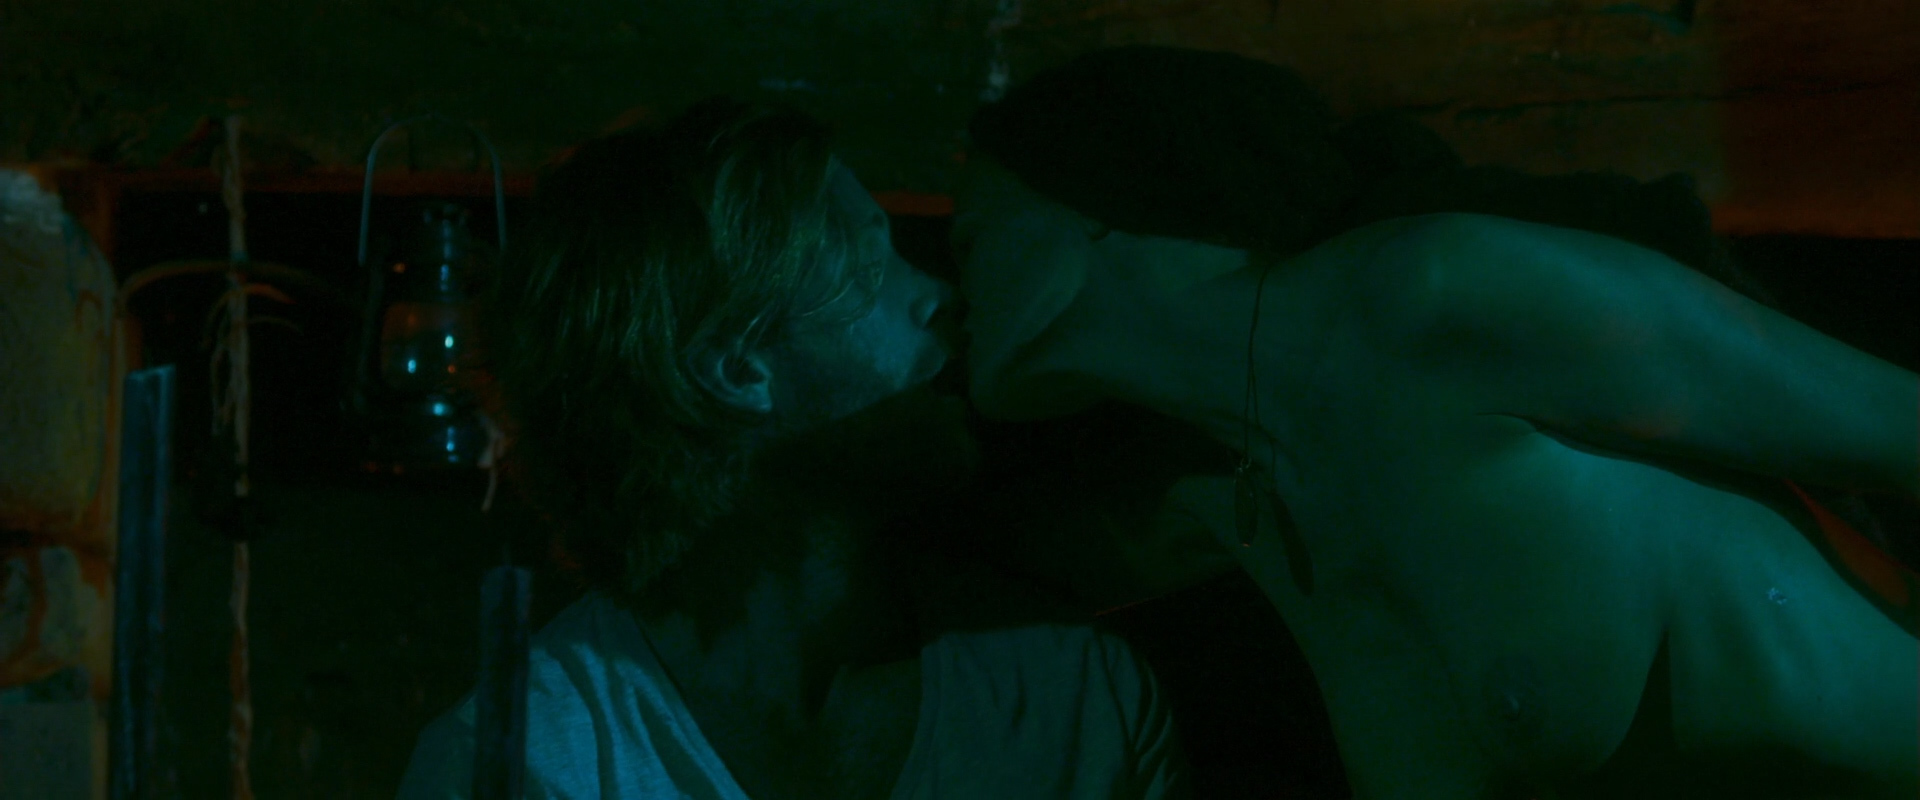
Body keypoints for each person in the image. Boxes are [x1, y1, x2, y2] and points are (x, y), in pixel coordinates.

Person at [950, 45, 1919, 799]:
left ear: (1087, 198)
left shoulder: (1434, 299)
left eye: (968, 234)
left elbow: (1901, 425)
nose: (939, 289)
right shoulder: (1229, 505)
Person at [397, 98, 1188, 800]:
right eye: (872, 260)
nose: (939, 295)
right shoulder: (524, 767)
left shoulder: (1076, 703)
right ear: (737, 368)